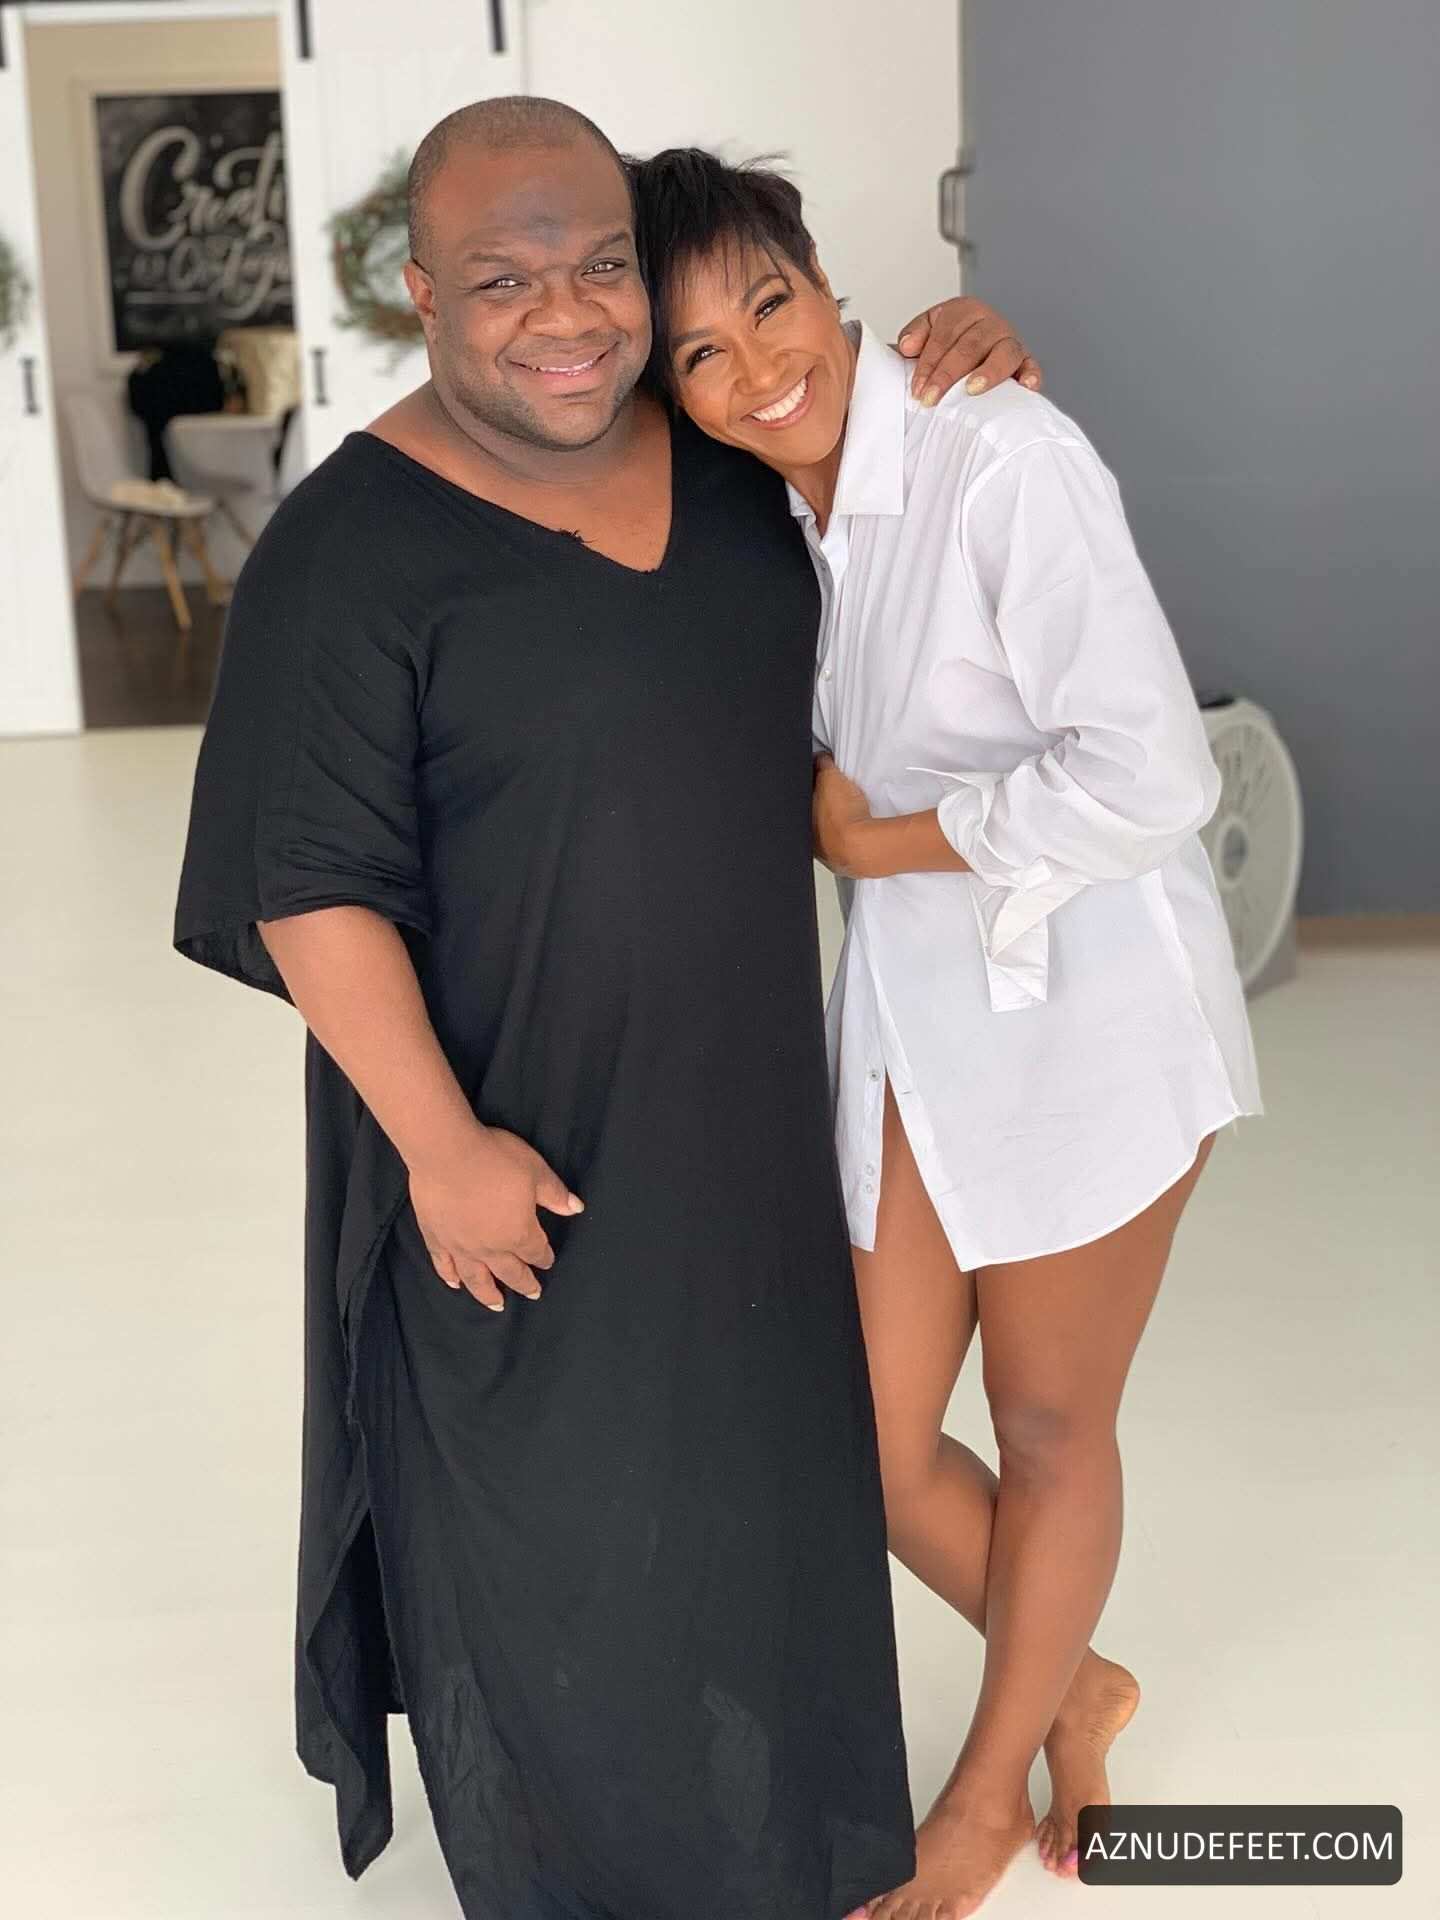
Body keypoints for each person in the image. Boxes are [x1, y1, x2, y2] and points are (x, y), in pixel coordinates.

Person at [173, 96, 1043, 1920]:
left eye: (600, 268)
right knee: (551, 1529)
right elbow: (307, 881)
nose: (564, 316)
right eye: (504, 280)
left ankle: (793, 1832)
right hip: (509, 1136)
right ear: (423, 294)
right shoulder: (345, 551)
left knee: (756, 1498)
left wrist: (949, 364)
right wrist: (441, 1149)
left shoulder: (727, 459)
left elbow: (900, 487)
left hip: (744, 1109)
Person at [634, 148, 1262, 1920]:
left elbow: (1155, 773)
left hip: (1085, 1012)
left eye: (770, 304)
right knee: (867, 1440)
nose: (757, 367)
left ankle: (988, 1795)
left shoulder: (1002, 454)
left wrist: (878, 843)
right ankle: (1082, 1681)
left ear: (825, 279)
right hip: (915, 1024)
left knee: (1050, 1425)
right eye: (699, 353)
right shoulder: (762, 519)